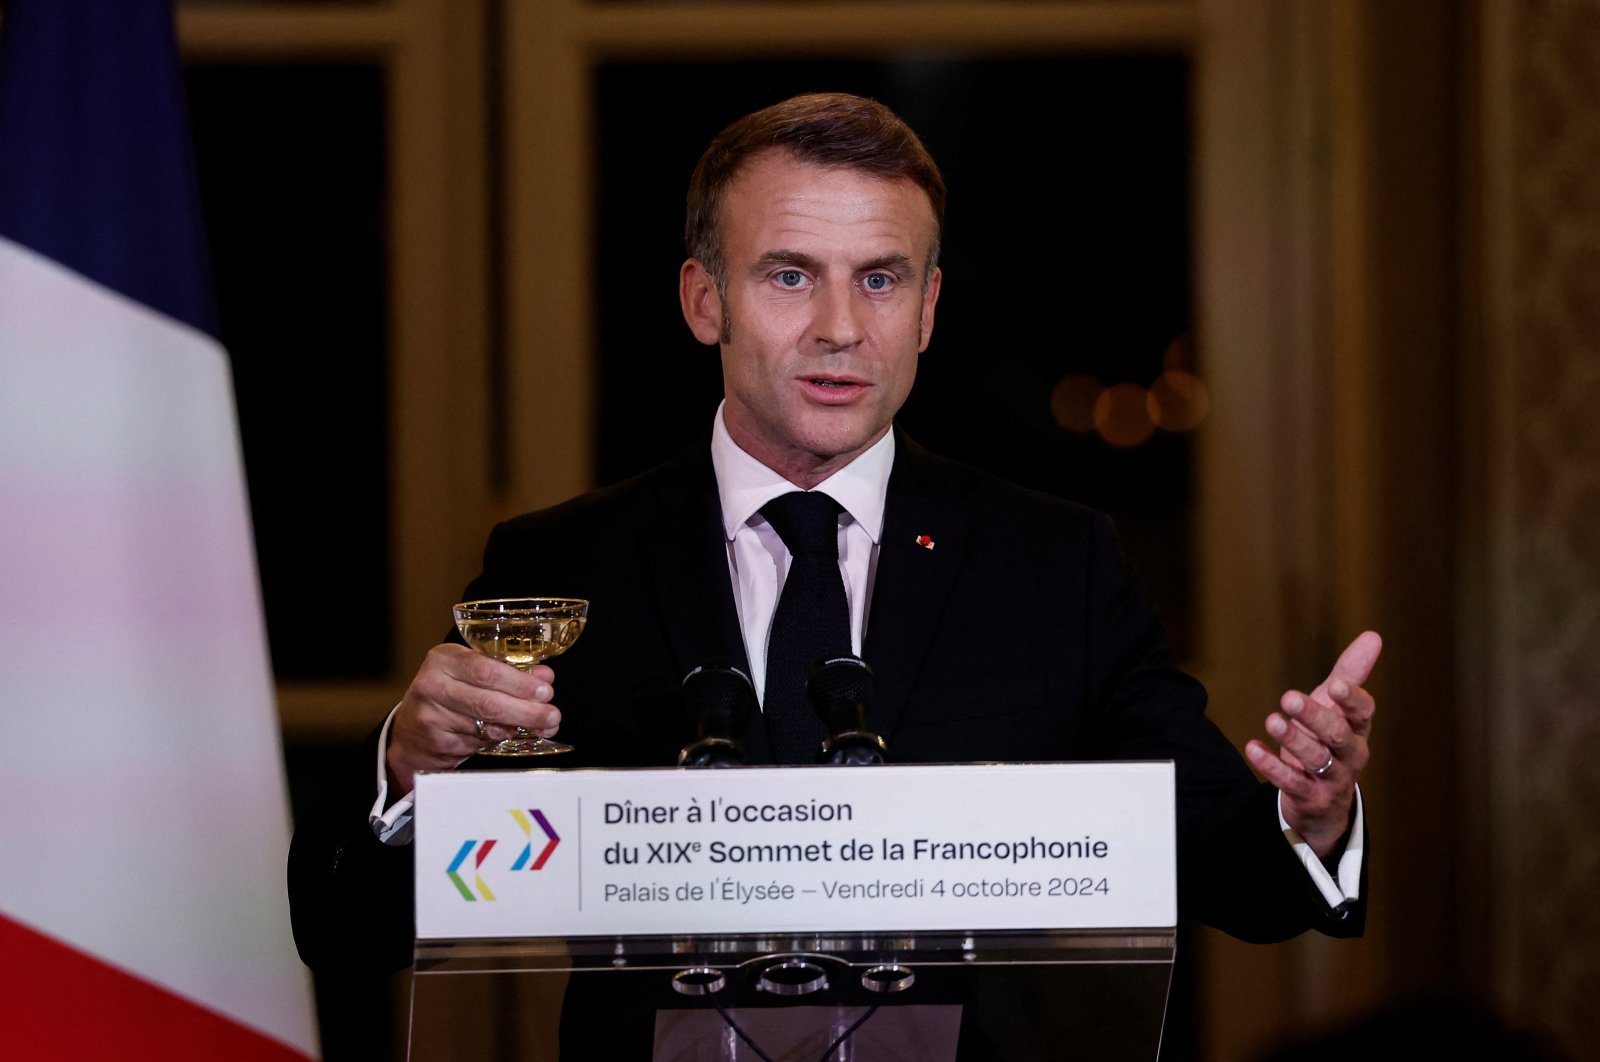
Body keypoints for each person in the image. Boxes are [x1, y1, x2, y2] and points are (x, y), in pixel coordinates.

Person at [289, 93, 1379, 975]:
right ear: (702, 300)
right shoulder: (565, 568)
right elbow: (350, 925)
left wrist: (1310, 815)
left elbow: (1240, 875)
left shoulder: (1055, 567)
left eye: (880, 279)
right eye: (789, 276)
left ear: (929, 310)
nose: (841, 329)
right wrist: (408, 767)